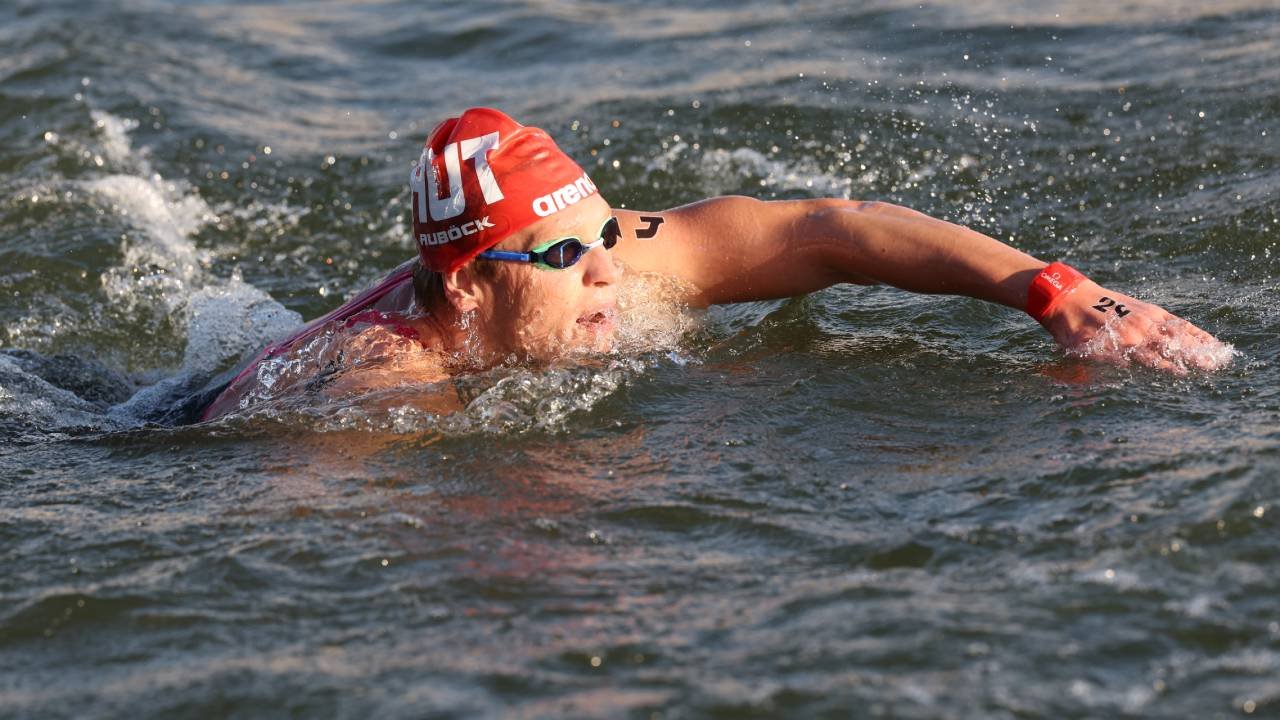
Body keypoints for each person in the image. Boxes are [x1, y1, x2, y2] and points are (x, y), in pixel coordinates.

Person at [199, 107, 1229, 421]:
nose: (606, 272)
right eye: (565, 254)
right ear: (465, 282)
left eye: (609, 234)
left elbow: (827, 226)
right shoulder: (383, 385)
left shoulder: (609, 260)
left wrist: (1062, 296)